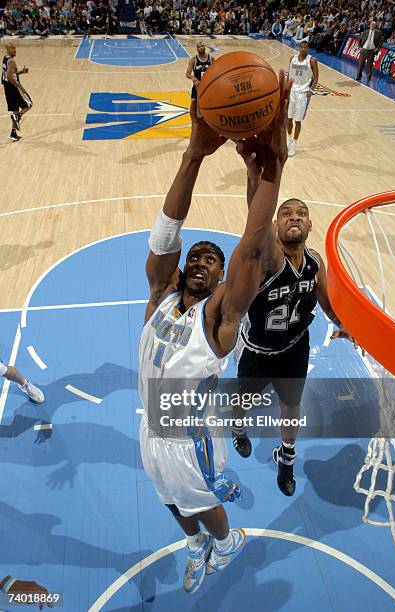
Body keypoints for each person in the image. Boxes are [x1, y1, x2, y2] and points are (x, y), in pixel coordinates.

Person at [140, 73, 292, 593]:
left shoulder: (218, 319)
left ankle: (226, 543)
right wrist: (192, 155)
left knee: (204, 505)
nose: (204, 261)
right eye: (196, 257)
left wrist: (272, 168)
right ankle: (196, 542)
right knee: (169, 502)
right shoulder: (160, 295)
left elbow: (251, 246)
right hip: (151, 432)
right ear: (183, 270)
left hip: (192, 440)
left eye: (213, 260)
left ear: (221, 279)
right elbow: (165, 233)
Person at [231, 146, 357, 497]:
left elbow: (326, 300)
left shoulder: (315, 262)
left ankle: (286, 457)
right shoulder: (269, 258)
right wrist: (255, 176)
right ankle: (237, 428)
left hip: (294, 347)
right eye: (285, 213)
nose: (294, 217)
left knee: (291, 405)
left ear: (310, 224)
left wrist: (340, 322)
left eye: (301, 213)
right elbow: (256, 224)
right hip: (257, 350)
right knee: (243, 401)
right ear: (275, 224)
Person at [287, 41, 318, 157]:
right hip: (292, 92)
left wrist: (311, 90)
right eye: (302, 47)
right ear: (299, 48)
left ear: (308, 48)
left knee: (297, 121)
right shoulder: (292, 59)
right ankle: (289, 139)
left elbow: (316, 77)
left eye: (306, 47)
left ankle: (294, 144)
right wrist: (286, 90)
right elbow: (289, 76)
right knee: (288, 119)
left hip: (303, 94)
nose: (303, 49)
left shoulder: (312, 60)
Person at [1, 42, 32, 142]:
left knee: (15, 108)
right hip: (13, 87)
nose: (15, 51)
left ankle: (13, 133)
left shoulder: (5, 59)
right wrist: (20, 87)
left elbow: (8, 75)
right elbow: (10, 77)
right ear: (8, 50)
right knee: (29, 104)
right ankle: (17, 116)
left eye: (15, 49)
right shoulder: (11, 61)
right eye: (13, 49)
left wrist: (21, 72)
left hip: (6, 87)